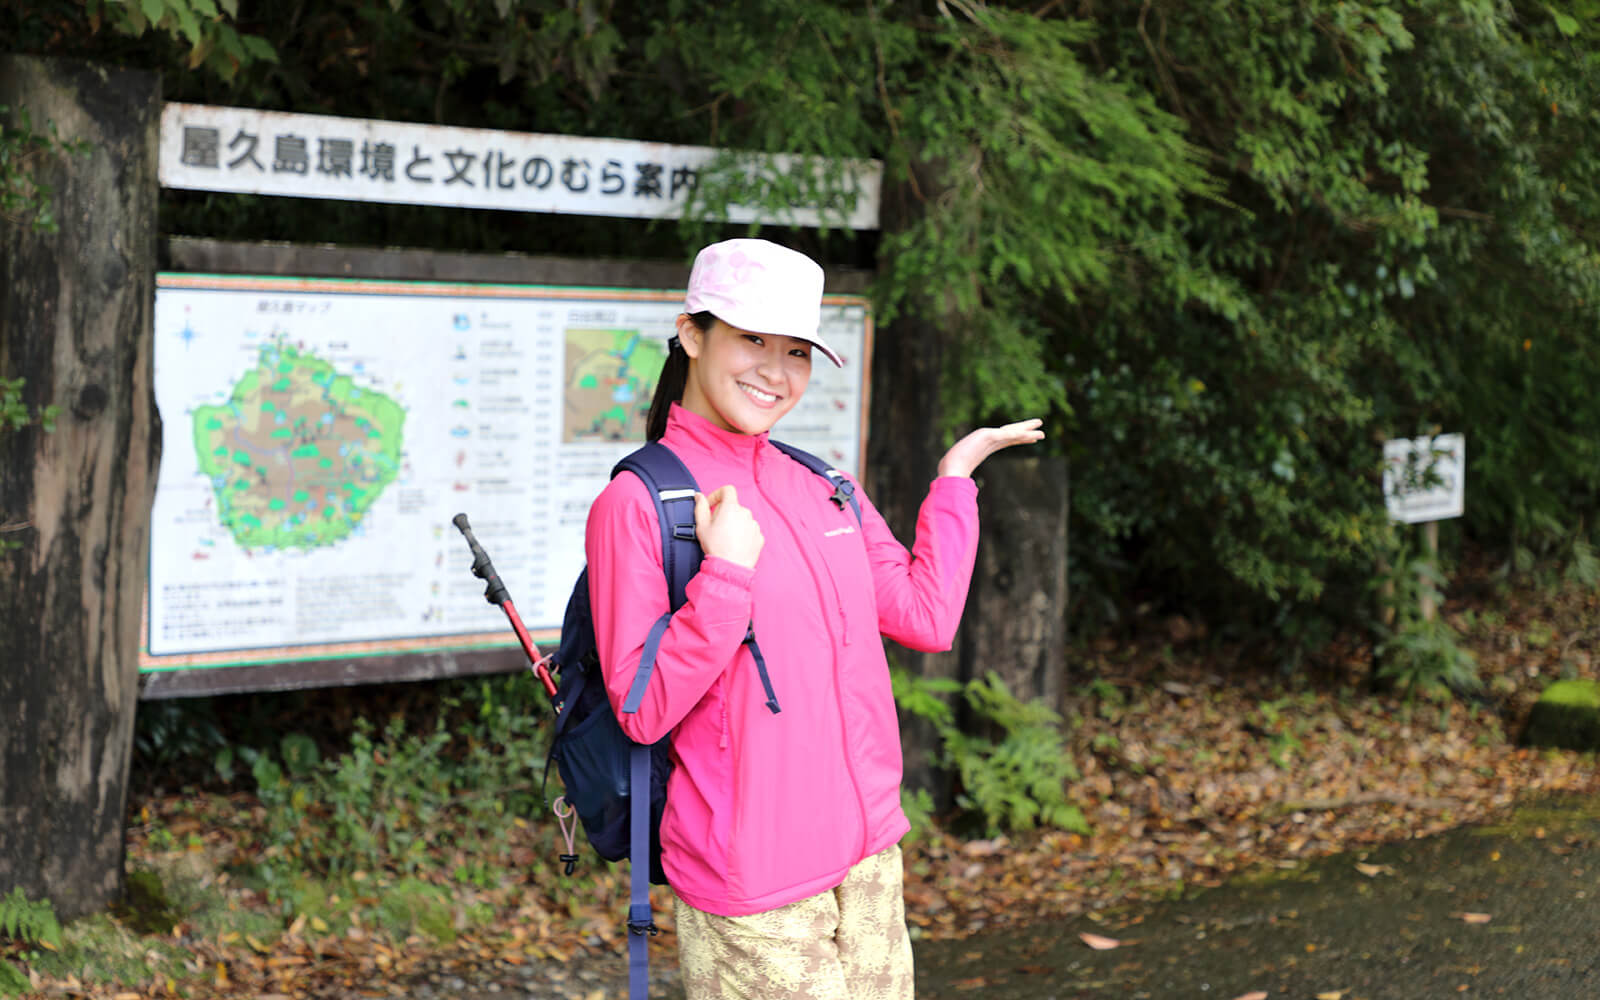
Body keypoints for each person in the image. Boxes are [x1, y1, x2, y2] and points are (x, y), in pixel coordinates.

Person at [585, 238, 1043, 999]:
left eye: (796, 351)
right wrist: (726, 576)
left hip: (868, 859)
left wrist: (955, 481)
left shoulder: (822, 485)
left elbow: (926, 618)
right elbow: (641, 707)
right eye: (752, 340)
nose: (775, 370)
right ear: (692, 334)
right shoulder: (637, 504)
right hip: (751, 886)